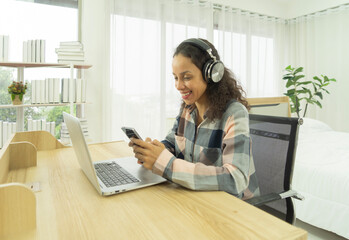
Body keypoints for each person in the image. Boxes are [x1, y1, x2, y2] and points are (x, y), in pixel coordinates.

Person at [130, 38, 259, 199]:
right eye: (176, 78)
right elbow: (172, 143)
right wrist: (152, 152)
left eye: (186, 77)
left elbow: (235, 180)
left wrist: (166, 164)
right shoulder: (187, 108)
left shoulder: (234, 113)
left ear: (211, 75)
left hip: (232, 207)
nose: (178, 86)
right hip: (196, 197)